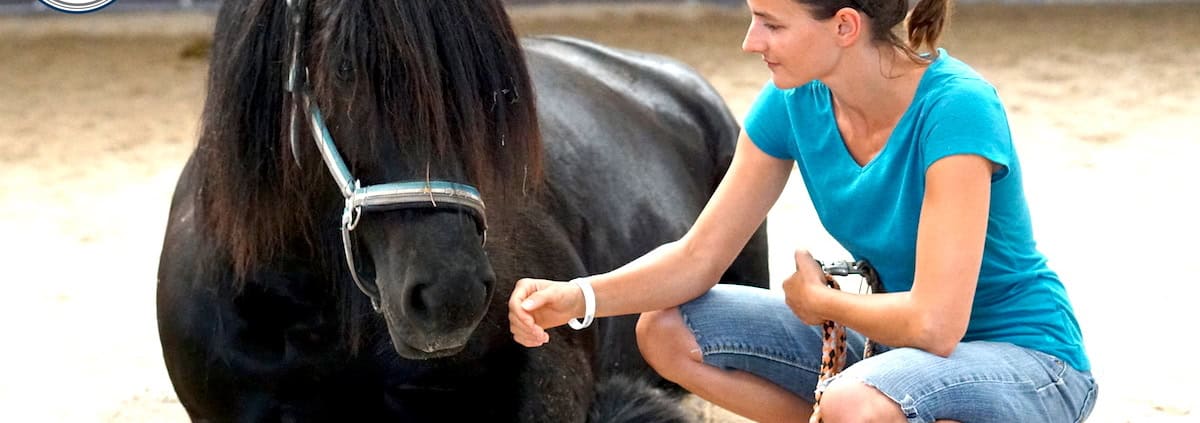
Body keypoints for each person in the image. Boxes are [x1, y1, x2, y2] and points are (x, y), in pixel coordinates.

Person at [508, 0, 1098, 421]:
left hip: (1025, 357)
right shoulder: (793, 103)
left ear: (844, 26)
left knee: (857, 400)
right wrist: (578, 297)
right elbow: (697, 257)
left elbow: (937, 326)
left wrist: (825, 305)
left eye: (771, 23)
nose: (750, 41)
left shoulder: (957, 109)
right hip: (893, 353)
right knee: (664, 329)